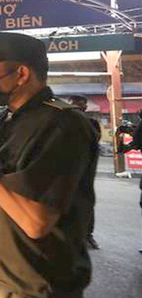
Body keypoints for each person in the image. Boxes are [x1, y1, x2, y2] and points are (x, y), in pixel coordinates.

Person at [0, 32, 99, 298]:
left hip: (34, 289)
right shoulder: (15, 118)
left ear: (21, 74)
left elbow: (36, 222)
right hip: (4, 281)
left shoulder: (62, 125)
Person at [67, 95, 101, 250]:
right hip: (66, 170)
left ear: (85, 108)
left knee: (86, 201)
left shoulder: (92, 123)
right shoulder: (63, 123)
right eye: (73, 104)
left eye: (79, 105)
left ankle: (88, 235)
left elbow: (94, 142)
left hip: (85, 169)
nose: (76, 107)